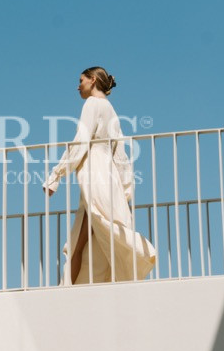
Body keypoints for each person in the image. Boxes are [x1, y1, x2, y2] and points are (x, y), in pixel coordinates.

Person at [44, 67, 157, 285]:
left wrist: (55, 175)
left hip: (94, 171)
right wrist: (125, 188)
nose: (78, 86)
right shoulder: (110, 109)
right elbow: (120, 152)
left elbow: (80, 141)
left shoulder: (92, 104)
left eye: (81, 80)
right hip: (109, 176)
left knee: (81, 240)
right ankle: (81, 287)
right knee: (93, 237)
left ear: (92, 80)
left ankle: (66, 291)